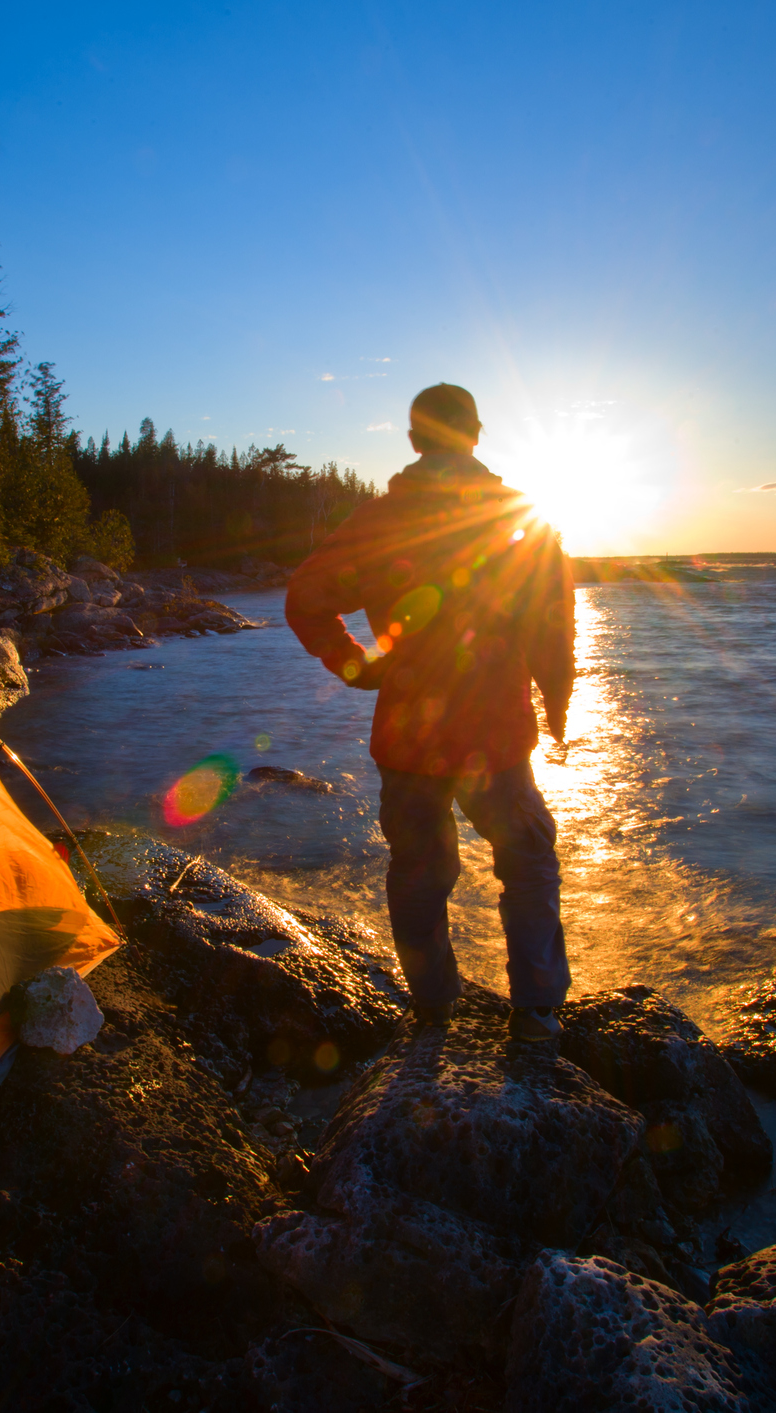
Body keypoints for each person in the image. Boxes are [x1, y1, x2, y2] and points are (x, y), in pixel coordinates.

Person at [285, 383, 575, 1042]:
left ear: (413, 440)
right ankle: (535, 1012)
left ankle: (433, 1007)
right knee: (527, 863)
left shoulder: (379, 522)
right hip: (495, 736)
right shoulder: (520, 515)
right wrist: (556, 707)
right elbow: (555, 624)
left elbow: (305, 597)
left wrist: (355, 662)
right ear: (476, 433)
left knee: (418, 869)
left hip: (410, 734)